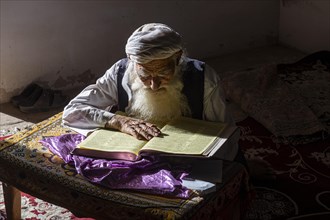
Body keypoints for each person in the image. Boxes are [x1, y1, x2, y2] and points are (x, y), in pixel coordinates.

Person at [63, 23, 238, 160]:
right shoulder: (120, 72)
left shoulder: (204, 77)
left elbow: (224, 133)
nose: (154, 85)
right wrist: (117, 121)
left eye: (163, 74)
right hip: (131, 154)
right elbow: (72, 112)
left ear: (178, 58)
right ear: (133, 63)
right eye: (144, 75)